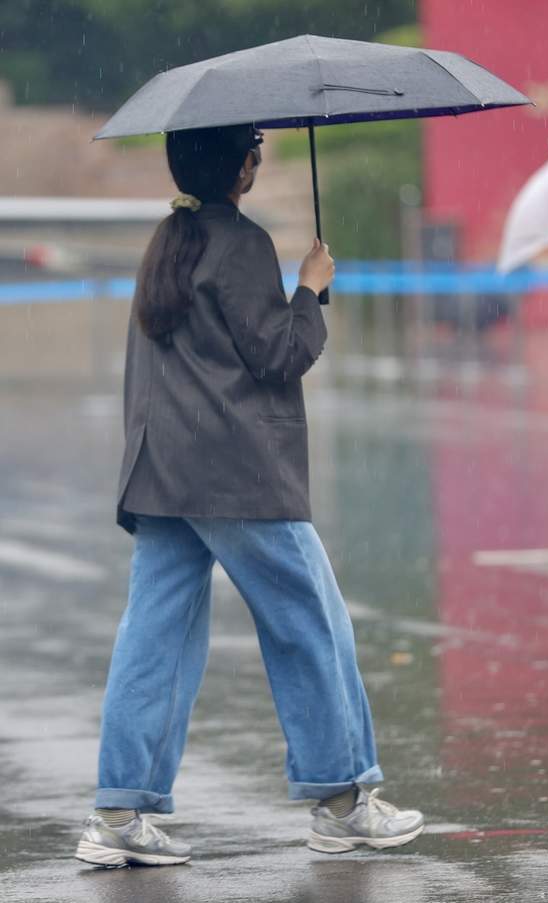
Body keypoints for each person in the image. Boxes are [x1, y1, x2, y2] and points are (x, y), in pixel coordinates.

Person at [75, 124, 424, 867]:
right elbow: (279, 353)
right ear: (242, 165)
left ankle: (118, 813)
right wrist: (310, 290)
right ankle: (343, 801)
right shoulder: (240, 244)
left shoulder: (167, 243)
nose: (258, 159)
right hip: (236, 472)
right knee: (312, 623)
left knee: (156, 641)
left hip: (161, 471)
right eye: (254, 149)